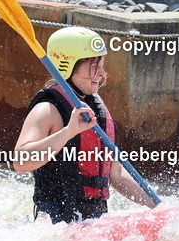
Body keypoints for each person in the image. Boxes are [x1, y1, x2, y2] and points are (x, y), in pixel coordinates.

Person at [13, 26, 156, 223]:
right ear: (68, 66)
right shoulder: (47, 109)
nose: (102, 74)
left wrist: (156, 206)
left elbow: (116, 175)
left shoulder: (94, 108)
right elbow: (21, 162)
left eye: (102, 66)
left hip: (94, 218)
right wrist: (68, 131)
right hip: (55, 224)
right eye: (94, 67)